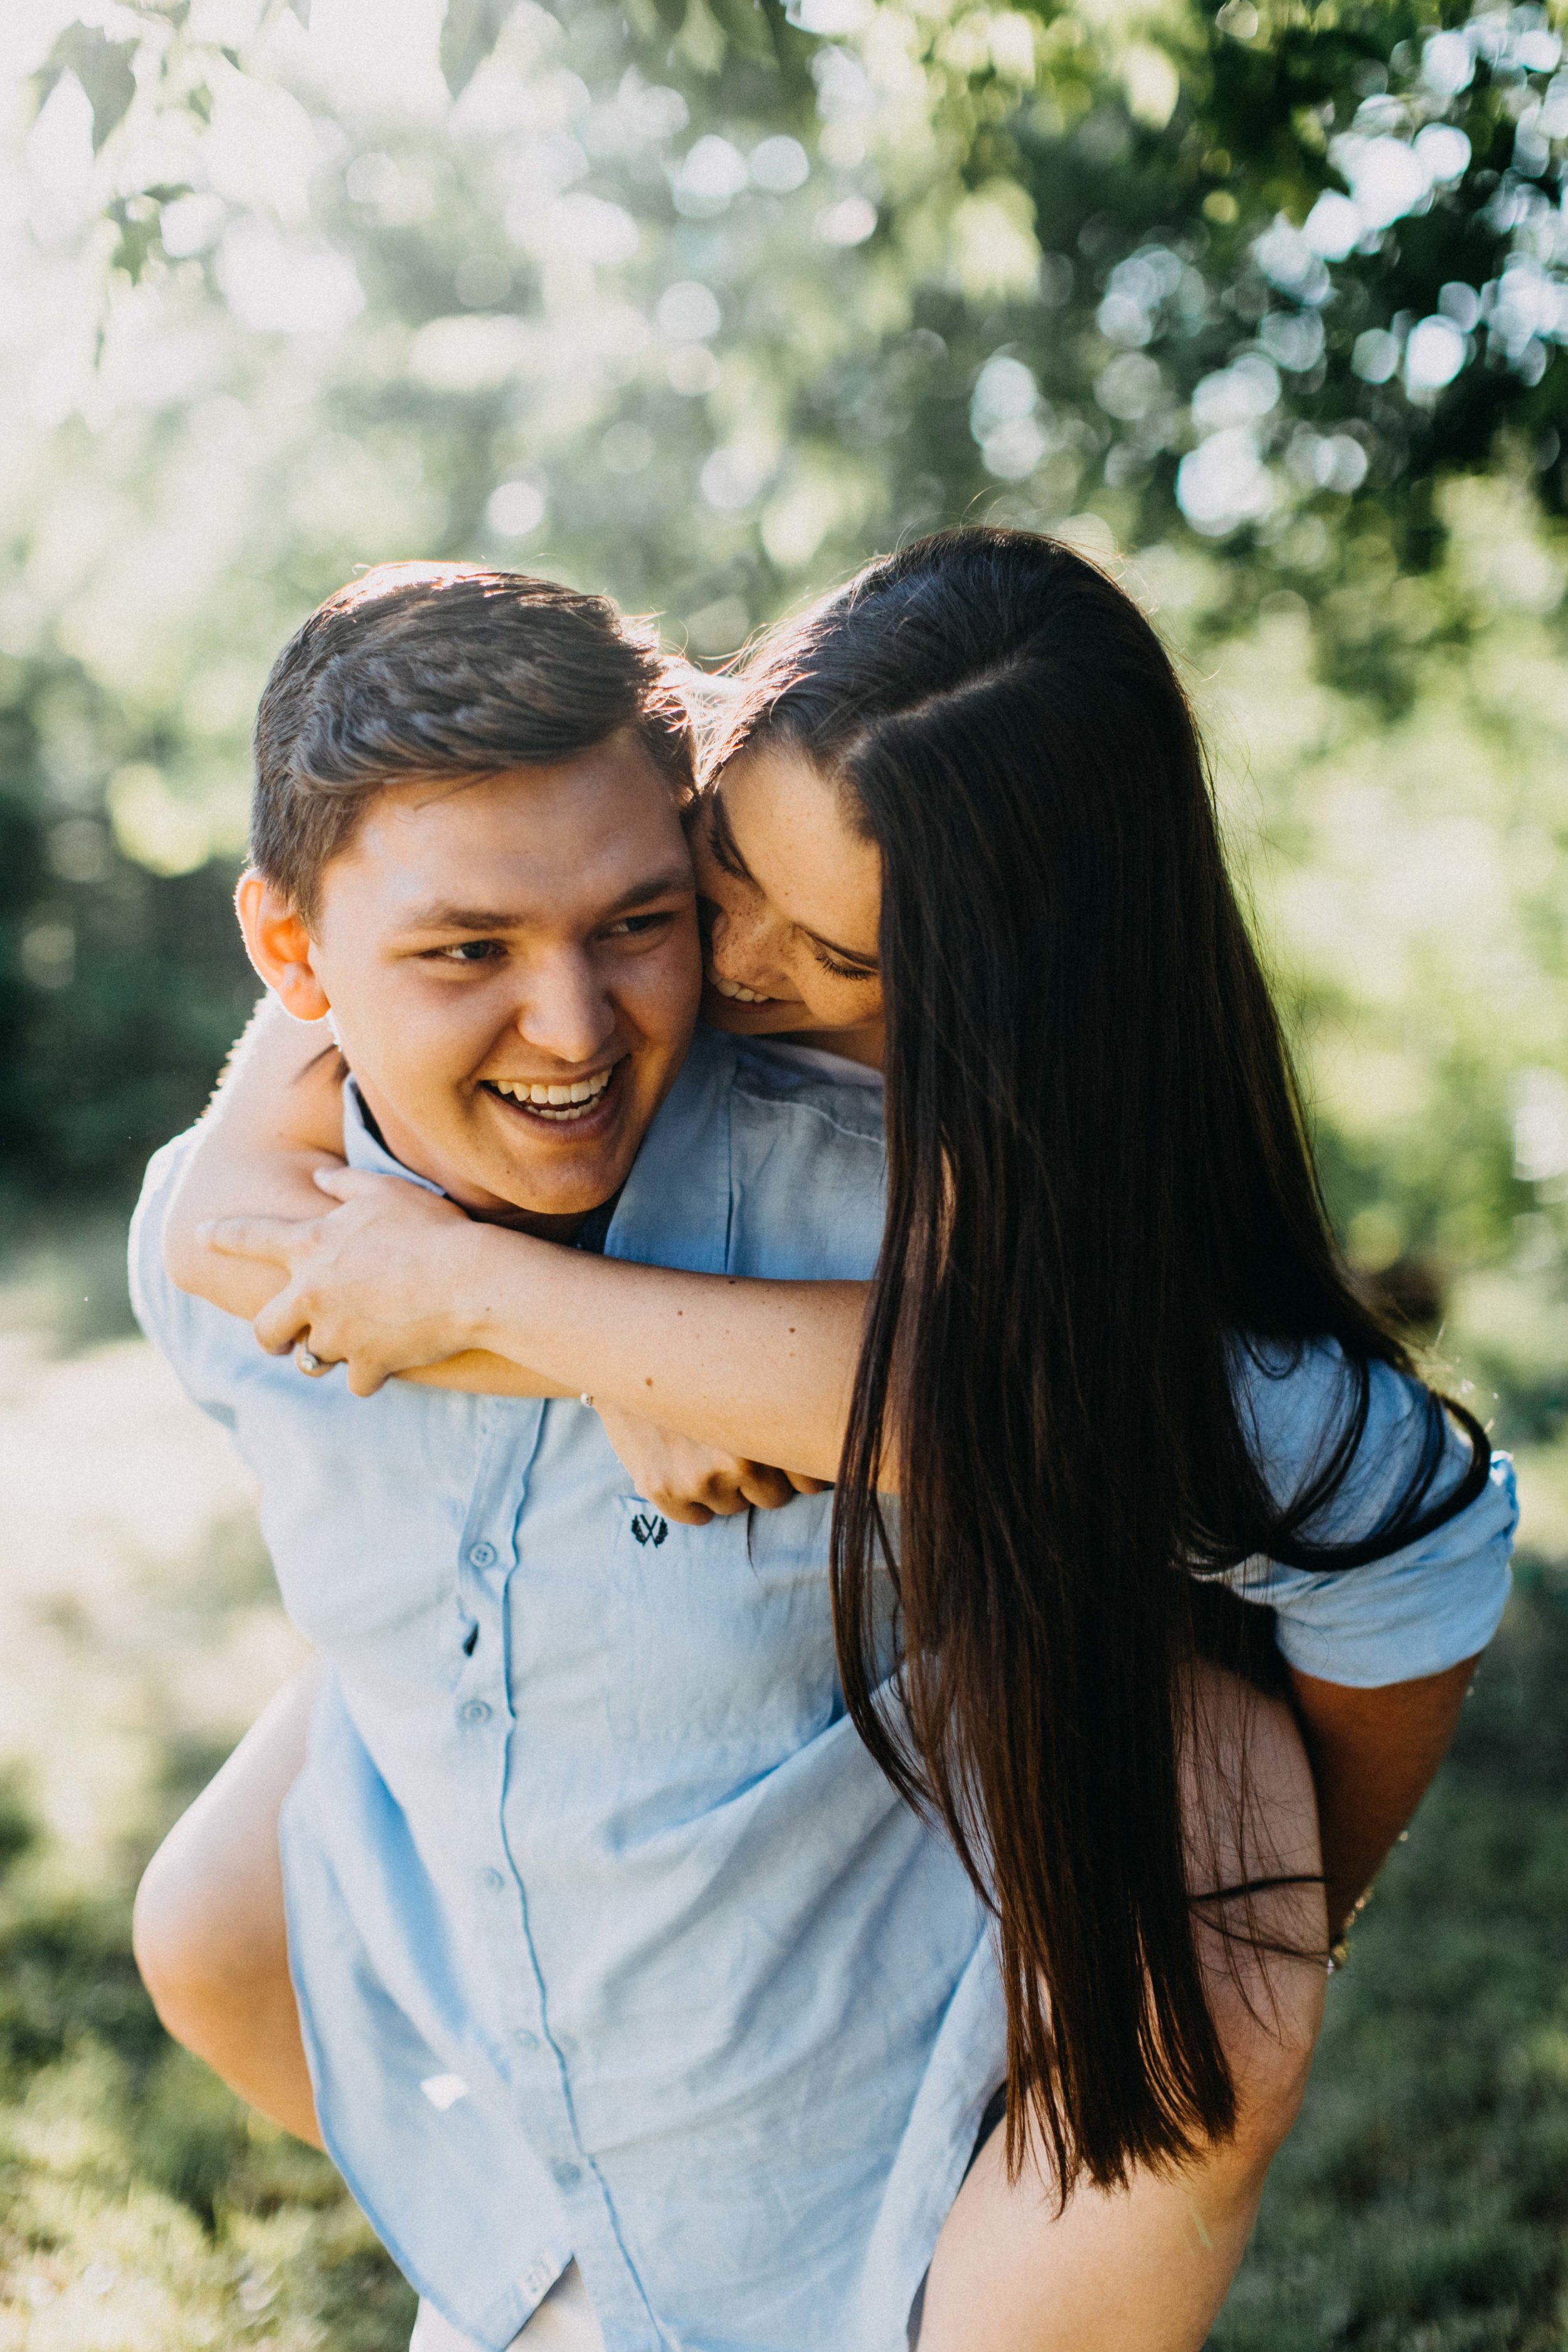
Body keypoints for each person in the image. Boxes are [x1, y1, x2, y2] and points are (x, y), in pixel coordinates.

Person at [134, 537, 1515, 2352]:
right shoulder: (257, 1219)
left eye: (653, 921)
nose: (619, 1008)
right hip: (565, 2221)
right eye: (715, 889)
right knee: (212, 1917)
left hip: (888, 2174)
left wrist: (1284, 1914)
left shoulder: (917, 1182)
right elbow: (252, 1194)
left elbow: (1363, 1506)